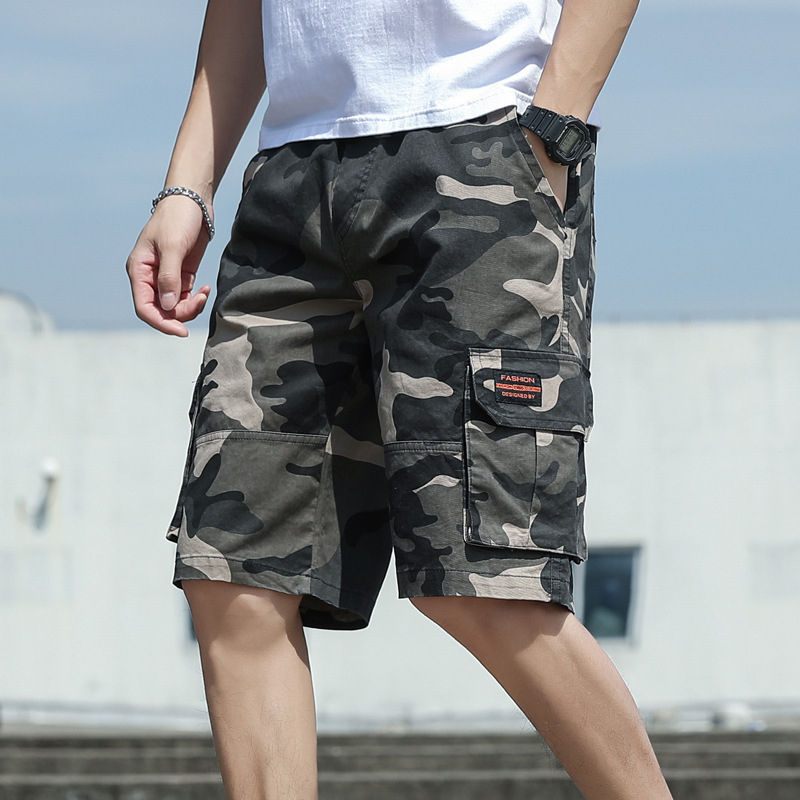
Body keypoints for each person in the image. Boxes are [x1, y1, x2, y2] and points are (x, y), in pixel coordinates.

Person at [126, 1, 674, 798]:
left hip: (479, 150)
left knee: (485, 577)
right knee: (234, 575)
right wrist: (188, 185)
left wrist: (554, 127)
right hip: (290, 177)